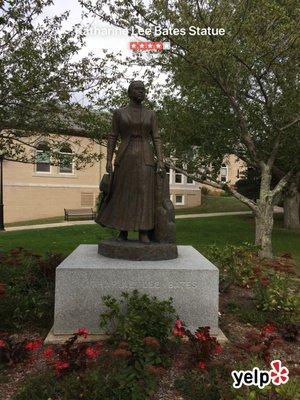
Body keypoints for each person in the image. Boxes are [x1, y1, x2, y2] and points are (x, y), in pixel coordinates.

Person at [98, 80, 164, 243]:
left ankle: (144, 230)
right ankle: (123, 231)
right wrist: (108, 159)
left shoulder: (151, 114)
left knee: (144, 193)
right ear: (129, 92)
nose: (141, 92)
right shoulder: (119, 113)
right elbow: (112, 135)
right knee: (124, 193)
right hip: (125, 156)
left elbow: (156, 137)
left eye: (143, 89)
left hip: (145, 157)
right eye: (137, 89)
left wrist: (160, 159)